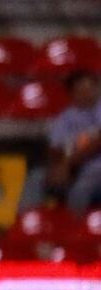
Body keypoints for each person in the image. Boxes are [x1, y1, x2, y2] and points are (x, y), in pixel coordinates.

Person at [46, 71, 101, 212]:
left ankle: (74, 232)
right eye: (81, 91)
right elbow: (55, 149)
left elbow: (97, 143)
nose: (87, 94)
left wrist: (67, 165)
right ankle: (24, 229)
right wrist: (57, 168)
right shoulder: (65, 118)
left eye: (91, 89)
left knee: (80, 190)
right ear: (71, 94)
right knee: (34, 180)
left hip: (96, 167)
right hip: (73, 168)